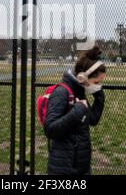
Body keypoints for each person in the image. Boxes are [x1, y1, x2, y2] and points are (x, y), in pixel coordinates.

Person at [44, 45, 106, 175]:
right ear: (83, 77)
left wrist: (99, 95)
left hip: (81, 166)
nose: (98, 85)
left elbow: (93, 119)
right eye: (96, 82)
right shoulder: (61, 92)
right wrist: (77, 111)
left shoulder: (79, 92)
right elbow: (50, 129)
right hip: (63, 169)